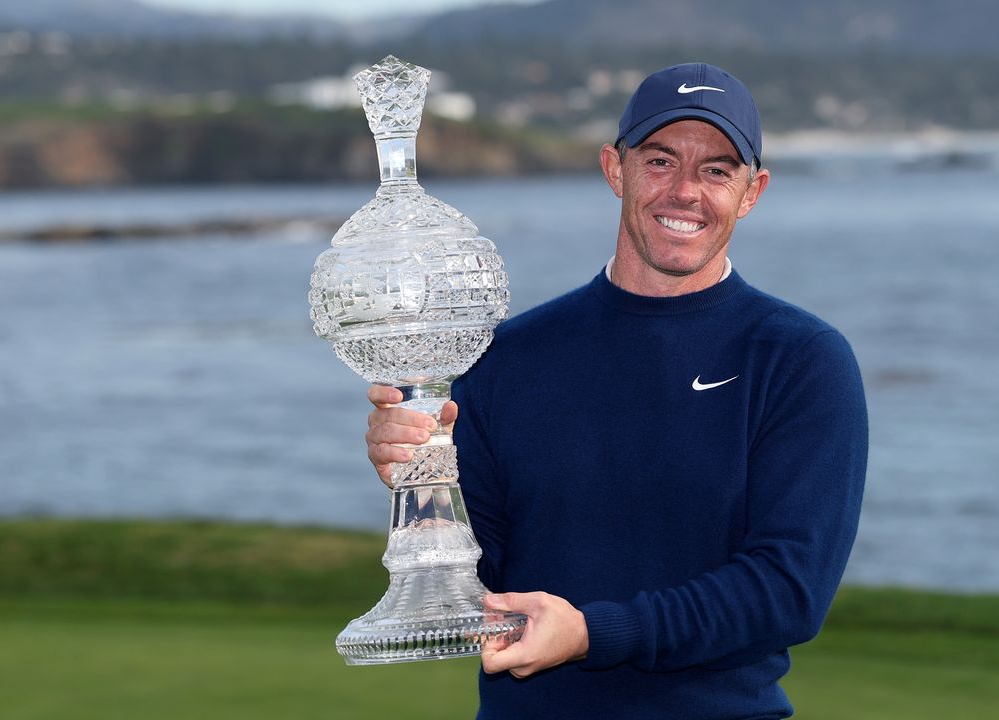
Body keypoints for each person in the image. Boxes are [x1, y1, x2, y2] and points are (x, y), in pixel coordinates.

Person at [365, 62, 868, 720]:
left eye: (717, 170)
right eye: (660, 160)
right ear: (615, 169)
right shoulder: (504, 357)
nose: (685, 191)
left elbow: (788, 590)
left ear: (752, 192)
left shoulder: (799, 359)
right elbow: (471, 592)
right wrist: (418, 481)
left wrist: (593, 633)